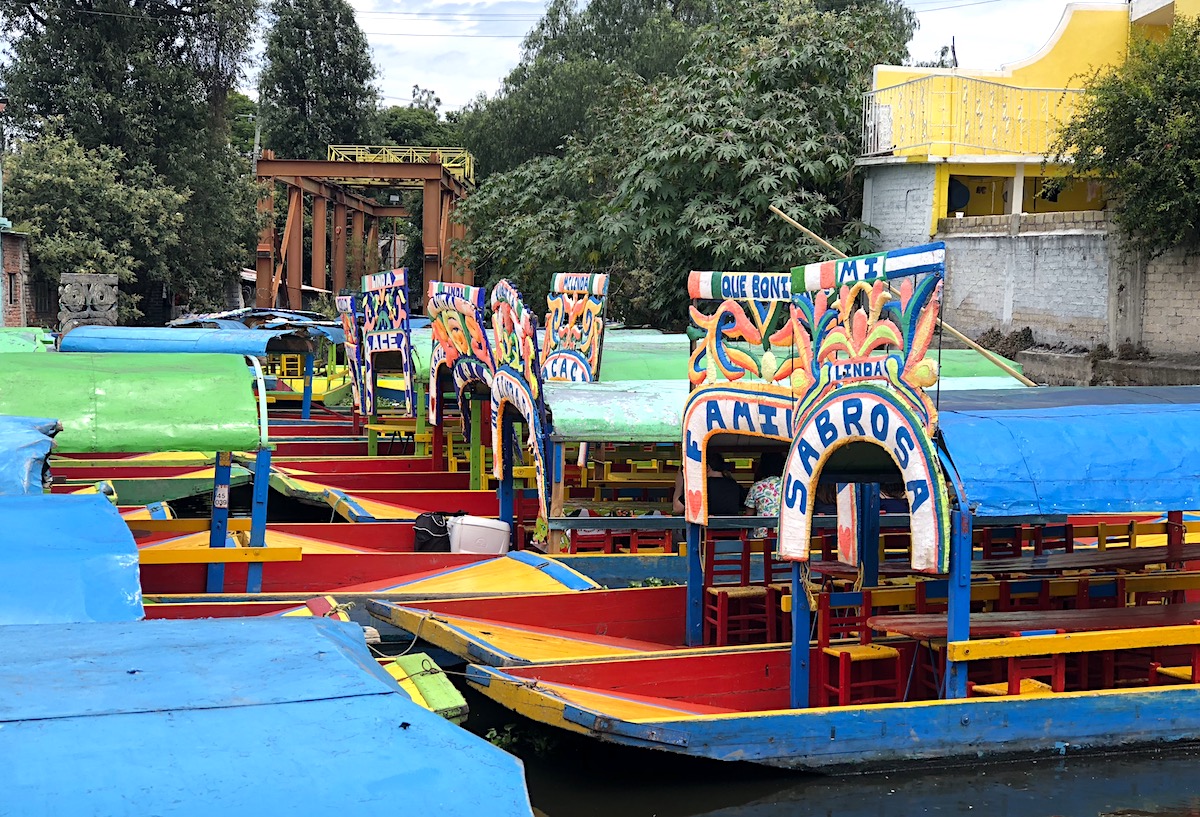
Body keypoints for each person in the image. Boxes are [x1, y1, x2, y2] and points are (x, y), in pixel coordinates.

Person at [743, 451, 784, 539]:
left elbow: (748, 516)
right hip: (786, 536)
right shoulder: (788, 485)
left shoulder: (757, 486)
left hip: (762, 537)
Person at [706, 452, 745, 517]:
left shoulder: (703, 486)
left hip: (711, 525)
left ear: (707, 467)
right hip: (732, 525)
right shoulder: (734, 484)